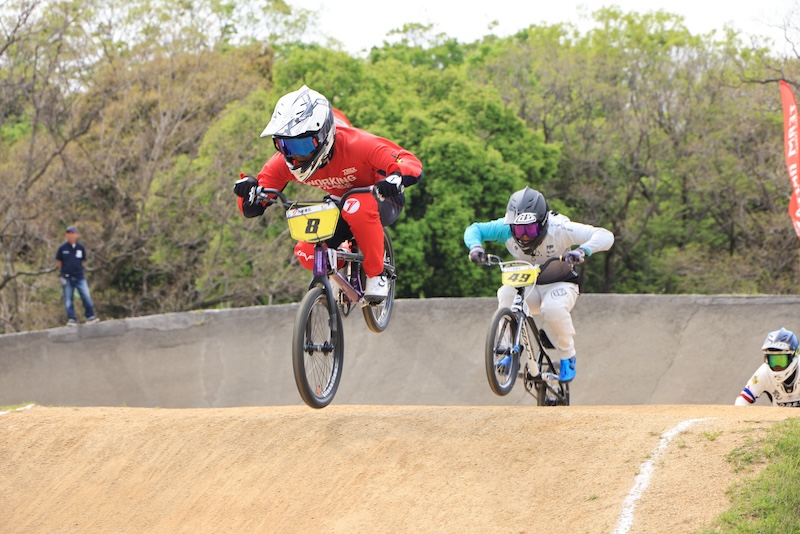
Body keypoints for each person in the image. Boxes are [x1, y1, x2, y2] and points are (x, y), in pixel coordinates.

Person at [233, 85, 422, 302]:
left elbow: (407, 160)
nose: (295, 156)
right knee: (306, 251)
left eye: (303, 145)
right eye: (285, 145)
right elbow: (255, 203)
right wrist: (248, 192)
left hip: (383, 197)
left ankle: (376, 274)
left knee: (356, 205)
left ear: (324, 135)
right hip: (339, 203)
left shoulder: (358, 144)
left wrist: (396, 177)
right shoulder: (283, 164)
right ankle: (338, 266)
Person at [464, 187, 614, 382]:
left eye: (530, 229)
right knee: (506, 294)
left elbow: (605, 235)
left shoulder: (560, 228)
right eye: (519, 230)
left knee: (552, 309)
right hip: (527, 285)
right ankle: (509, 350)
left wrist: (583, 251)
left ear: (543, 223)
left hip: (560, 283)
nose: (524, 236)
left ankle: (568, 355)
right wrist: (475, 247)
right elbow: (474, 229)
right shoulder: (505, 228)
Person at [735, 328, 800, 407]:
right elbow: (742, 400)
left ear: (793, 357)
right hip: (780, 418)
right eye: (773, 360)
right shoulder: (764, 373)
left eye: (780, 360)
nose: (777, 367)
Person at [55, 225, 99, 326]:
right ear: (66, 235)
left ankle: (90, 316)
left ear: (76, 235)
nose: (71, 236)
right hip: (67, 277)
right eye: (69, 233)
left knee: (86, 296)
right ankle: (71, 319)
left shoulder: (80, 247)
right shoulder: (62, 248)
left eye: (73, 233)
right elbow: (59, 262)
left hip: (79, 276)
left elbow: (82, 260)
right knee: (68, 299)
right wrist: (62, 274)